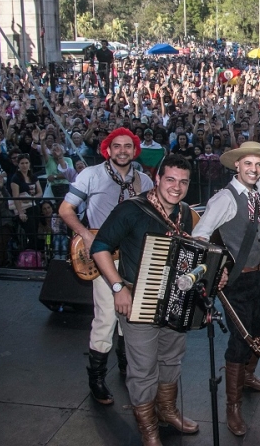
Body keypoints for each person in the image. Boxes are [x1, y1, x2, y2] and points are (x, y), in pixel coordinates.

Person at [90, 155, 200, 446]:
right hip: (137, 299)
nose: (176, 187)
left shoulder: (185, 213)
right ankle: (148, 428)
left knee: (171, 360)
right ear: (158, 178)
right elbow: (100, 248)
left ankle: (167, 411)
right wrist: (117, 288)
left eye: (183, 181)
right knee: (142, 369)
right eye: (170, 179)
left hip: (174, 302)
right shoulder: (131, 209)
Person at [192, 141, 260, 436]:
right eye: (248, 164)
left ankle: (249, 377)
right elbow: (199, 236)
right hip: (236, 282)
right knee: (241, 342)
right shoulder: (224, 199)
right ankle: (233, 407)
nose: (254, 169)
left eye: (257, 164)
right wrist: (219, 268)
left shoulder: (256, 189)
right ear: (236, 166)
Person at [59, 127, 153, 405]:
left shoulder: (145, 180)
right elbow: (66, 210)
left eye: (128, 146)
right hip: (103, 256)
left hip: (134, 257)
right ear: (108, 150)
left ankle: (126, 367)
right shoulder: (90, 175)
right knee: (106, 318)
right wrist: (86, 235)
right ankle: (97, 378)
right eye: (117, 146)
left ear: (135, 150)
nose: (123, 151)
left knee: (131, 315)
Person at [9, 154, 43, 250]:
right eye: (22, 163)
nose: (24, 165)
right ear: (18, 165)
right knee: (30, 232)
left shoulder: (33, 176)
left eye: (26, 163)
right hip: (23, 208)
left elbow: (40, 192)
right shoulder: (15, 178)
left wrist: (32, 198)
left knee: (36, 232)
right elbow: (15, 196)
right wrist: (20, 212)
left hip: (33, 206)